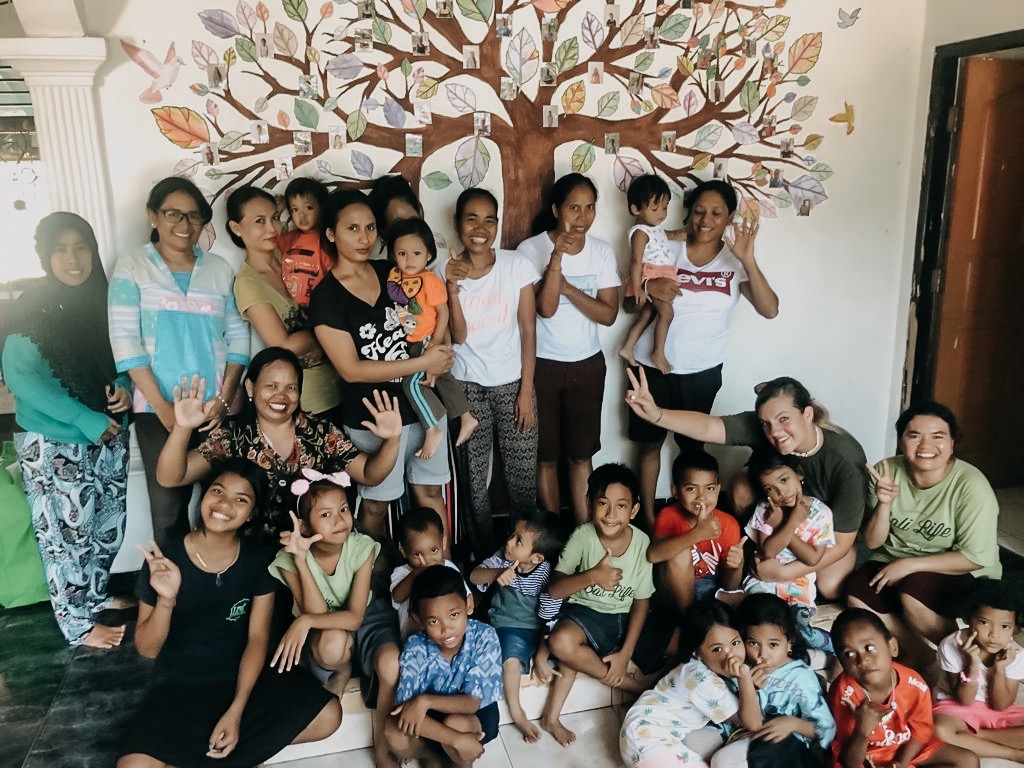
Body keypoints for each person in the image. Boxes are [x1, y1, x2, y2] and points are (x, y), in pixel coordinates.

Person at [117, 458, 341, 767]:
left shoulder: (257, 561)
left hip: (242, 679)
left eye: (241, 500)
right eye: (218, 491)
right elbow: (148, 649)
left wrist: (236, 709)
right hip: (180, 685)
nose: (224, 504)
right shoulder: (165, 559)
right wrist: (167, 600)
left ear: (252, 514)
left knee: (329, 715)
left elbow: (257, 640)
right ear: (204, 495)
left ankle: (214, 750)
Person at [1, 212, 132, 648]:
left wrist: (125, 388)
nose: (73, 259)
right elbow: (21, 377)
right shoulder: (33, 307)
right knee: (65, 536)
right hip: (57, 440)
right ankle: (77, 625)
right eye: (60, 250)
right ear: (45, 255)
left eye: (81, 248)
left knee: (106, 525)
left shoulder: (104, 301)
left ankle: (94, 597)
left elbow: (125, 356)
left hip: (109, 434)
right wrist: (83, 418)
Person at [626, 373, 868, 599]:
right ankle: (755, 546)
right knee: (741, 487)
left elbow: (842, 541)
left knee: (829, 586)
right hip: (775, 517)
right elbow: (711, 427)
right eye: (765, 423)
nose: (775, 432)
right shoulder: (767, 428)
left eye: (784, 419)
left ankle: (775, 560)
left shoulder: (845, 458)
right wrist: (657, 415)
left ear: (807, 414)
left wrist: (783, 572)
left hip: (820, 531)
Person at [624, 180, 779, 530]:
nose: (705, 220)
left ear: (729, 218)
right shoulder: (665, 245)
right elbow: (629, 304)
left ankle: (692, 521)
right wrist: (647, 286)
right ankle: (647, 522)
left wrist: (748, 259)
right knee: (648, 445)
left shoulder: (734, 261)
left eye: (716, 213)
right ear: (688, 213)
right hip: (650, 367)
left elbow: (769, 309)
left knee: (693, 449)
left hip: (701, 372)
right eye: (698, 211)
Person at [109, 176, 250, 546]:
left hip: (214, 409)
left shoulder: (219, 269)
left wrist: (223, 400)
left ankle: (216, 575)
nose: (184, 224)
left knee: (223, 501)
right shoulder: (133, 265)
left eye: (194, 215)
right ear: (153, 216)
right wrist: (163, 409)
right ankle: (174, 579)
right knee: (168, 507)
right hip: (156, 409)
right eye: (173, 214)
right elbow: (125, 341)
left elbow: (238, 337)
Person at [310, 190, 455, 541]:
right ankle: (376, 572)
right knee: (376, 503)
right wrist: (422, 361)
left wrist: (438, 352)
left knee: (431, 493)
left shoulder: (391, 273)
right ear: (331, 234)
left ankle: (440, 569)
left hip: (422, 404)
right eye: (352, 228)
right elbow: (351, 369)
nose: (364, 238)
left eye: (371, 227)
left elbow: (433, 313)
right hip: (373, 415)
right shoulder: (327, 296)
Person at [155, 346, 401, 536]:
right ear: (250, 388)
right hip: (249, 554)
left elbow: (369, 474)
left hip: (309, 554)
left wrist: (392, 440)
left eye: (291, 387)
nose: (281, 396)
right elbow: (171, 477)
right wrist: (182, 428)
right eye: (271, 386)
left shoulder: (321, 432)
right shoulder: (232, 436)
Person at [845, 402, 1000, 657]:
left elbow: (973, 557)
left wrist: (909, 565)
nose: (926, 445)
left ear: (952, 443)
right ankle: (924, 659)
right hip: (894, 558)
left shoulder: (971, 486)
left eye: (938, 436)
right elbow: (872, 543)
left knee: (913, 595)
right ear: (901, 441)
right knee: (857, 594)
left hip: (959, 567)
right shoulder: (886, 472)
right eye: (914, 435)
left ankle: (965, 658)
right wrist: (884, 504)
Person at [436, 188, 539, 558]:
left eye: (489, 220)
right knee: (474, 480)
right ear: (457, 224)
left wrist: (525, 392)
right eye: (471, 219)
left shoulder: (516, 266)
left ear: (498, 224)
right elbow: (455, 337)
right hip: (466, 388)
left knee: (522, 477)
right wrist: (451, 288)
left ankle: (525, 559)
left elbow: (528, 329)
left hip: (513, 383)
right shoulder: (442, 270)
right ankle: (482, 559)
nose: (480, 228)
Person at [517, 173, 620, 523]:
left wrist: (568, 289)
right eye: (574, 208)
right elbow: (545, 309)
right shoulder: (530, 250)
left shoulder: (601, 252)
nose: (582, 217)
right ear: (556, 210)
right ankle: (551, 534)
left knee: (580, 455)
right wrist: (557, 258)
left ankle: (584, 531)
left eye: (589, 208)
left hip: (587, 366)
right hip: (543, 366)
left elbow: (608, 314)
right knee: (545, 456)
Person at [542, 463, 655, 746]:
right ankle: (634, 686)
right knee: (562, 643)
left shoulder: (642, 542)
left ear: (634, 510)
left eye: (621, 506)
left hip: (623, 617)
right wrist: (592, 576)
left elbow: (642, 602)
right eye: (603, 503)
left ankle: (551, 716)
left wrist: (626, 653)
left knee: (681, 638)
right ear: (589, 502)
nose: (611, 514)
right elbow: (554, 589)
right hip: (585, 612)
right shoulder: (583, 536)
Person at [227, 186, 342, 421]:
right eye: (260, 221)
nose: (272, 228)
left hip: (341, 382)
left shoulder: (293, 253)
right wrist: (329, 336)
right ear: (236, 228)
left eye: (275, 218)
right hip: (309, 401)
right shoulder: (248, 283)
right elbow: (283, 345)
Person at [268, 470, 378, 697]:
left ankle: (350, 660)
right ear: (304, 526)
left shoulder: (361, 547)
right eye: (326, 515)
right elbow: (316, 613)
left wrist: (305, 621)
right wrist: (301, 561)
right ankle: (341, 668)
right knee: (332, 642)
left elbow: (355, 617)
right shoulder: (288, 558)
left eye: (343, 509)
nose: (339, 520)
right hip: (322, 635)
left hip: (360, 621)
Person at [828, 608, 978, 768]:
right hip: (866, 755)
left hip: (904, 748)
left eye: (869, 648)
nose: (863, 660)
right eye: (849, 654)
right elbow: (849, 762)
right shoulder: (844, 694)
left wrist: (900, 763)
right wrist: (862, 730)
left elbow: (920, 732)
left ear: (892, 647)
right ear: (842, 663)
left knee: (967, 760)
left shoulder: (914, 684)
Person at [619, 600, 762, 768]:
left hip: (639, 736)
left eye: (735, 643)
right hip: (649, 742)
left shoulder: (692, 667)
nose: (731, 655)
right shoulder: (702, 679)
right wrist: (745, 678)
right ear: (697, 653)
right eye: (717, 649)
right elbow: (753, 723)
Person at [385, 564, 503, 767]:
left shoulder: (484, 636)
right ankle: (436, 756)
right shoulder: (416, 647)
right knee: (393, 732)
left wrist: (424, 701)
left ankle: (459, 762)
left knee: (455, 723)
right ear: (418, 620)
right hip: (434, 716)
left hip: (475, 714)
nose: (446, 629)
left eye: (454, 615)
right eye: (433, 621)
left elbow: (472, 703)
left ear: (468, 605)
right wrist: (456, 740)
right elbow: (405, 711)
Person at [385, 217, 478, 457]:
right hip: (409, 341)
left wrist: (436, 341)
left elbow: (442, 312)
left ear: (428, 255)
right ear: (393, 255)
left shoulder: (430, 281)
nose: (409, 259)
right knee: (443, 379)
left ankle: (432, 428)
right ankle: (466, 416)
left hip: (426, 340)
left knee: (412, 384)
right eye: (402, 253)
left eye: (416, 253)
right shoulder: (394, 276)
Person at [469, 511, 565, 742]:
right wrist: (496, 574)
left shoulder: (547, 576)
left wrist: (542, 653)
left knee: (564, 658)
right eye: (513, 534)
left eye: (519, 540)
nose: (509, 541)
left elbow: (550, 619)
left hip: (538, 628)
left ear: (537, 558)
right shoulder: (502, 558)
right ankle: (517, 712)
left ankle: (553, 716)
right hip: (506, 624)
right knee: (509, 662)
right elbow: (474, 576)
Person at [710, 594, 835, 768]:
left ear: (789, 642)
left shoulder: (801, 678)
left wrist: (794, 724)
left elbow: (827, 729)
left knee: (724, 760)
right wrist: (750, 688)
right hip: (749, 739)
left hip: (788, 747)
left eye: (773, 645)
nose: (762, 655)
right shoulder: (742, 669)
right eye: (753, 643)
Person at [734, 450, 835, 651]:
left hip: (797, 586)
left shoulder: (821, 513)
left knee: (794, 622)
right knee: (760, 623)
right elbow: (767, 552)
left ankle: (819, 639)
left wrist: (784, 523)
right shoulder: (765, 509)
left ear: (799, 474)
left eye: (784, 480)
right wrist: (791, 522)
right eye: (770, 488)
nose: (781, 492)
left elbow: (813, 558)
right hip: (762, 583)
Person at [933, 579, 1024, 762]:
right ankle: (1014, 753)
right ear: (968, 620)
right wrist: (972, 664)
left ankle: (975, 737)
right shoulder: (951, 645)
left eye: (1005, 627)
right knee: (939, 731)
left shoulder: (1017, 654)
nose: (994, 634)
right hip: (957, 708)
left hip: (997, 711)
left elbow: (1000, 705)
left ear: (1014, 629)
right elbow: (965, 700)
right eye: (984, 623)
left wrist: (999, 669)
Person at [647, 451, 744, 613]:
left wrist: (736, 567)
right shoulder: (669, 515)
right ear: (675, 491)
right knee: (680, 553)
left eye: (709, 488)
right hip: (671, 592)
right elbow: (653, 555)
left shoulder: (728, 524)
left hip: (710, 588)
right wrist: (697, 534)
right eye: (691, 489)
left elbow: (729, 585)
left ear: (718, 490)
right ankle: (688, 619)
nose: (702, 497)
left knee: (748, 600)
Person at [619, 174, 686, 374]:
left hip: (660, 274)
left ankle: (627, 347)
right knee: (667, 313)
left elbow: (664, 235)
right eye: (655, 209)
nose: (662, 214)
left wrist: (677, 234)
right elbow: (635, 261)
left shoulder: (655, 228)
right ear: (635, 209)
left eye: (665, 208)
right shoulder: (640, 232)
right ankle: (658, 353)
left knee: (648, 314)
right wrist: (638, 288)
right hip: (651, 275)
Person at [278, 178, 332, 307]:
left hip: (318, 307)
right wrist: (277, 211)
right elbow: (264, 243)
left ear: (322, 208)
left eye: (309, 208)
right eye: (295, 210)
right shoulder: (288, 239)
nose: (302, 215)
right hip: (288, 307)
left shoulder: (327, 241)